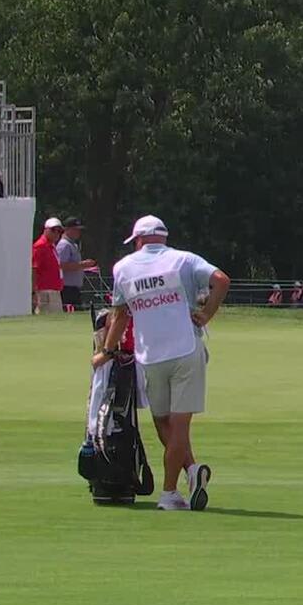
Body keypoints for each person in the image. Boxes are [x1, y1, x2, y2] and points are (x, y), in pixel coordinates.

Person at [96, 215, 231, 511]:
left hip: (150, 355)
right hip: (185, 349)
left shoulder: (123, 267)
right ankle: (180, 484)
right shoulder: (184, 259)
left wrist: (106, 352)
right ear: (163, 238)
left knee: (162, 423)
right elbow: (221, 281)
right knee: (180, 425)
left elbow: (120, 315)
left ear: (139, 240)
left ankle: (179, 484)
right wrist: (207, 314)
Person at [56, 216, 97, 310]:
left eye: (78, 230)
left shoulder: (73, 244)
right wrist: (82, 264)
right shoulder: (64, 245)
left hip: (74, 288)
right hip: (67, 288)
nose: (78, 232)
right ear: (66, 229)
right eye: (75, 229)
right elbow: (61, 265)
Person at [31, 218, 64, 314]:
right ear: (46, 230)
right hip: (44, 292)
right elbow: (34, 269)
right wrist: (34, 292)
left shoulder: (51, 246)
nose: (57, 233)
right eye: (53, 230)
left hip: (54, 290)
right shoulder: (40, 246)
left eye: (59, 231)